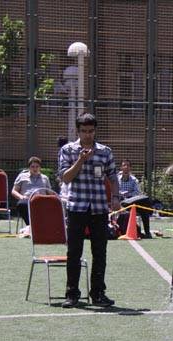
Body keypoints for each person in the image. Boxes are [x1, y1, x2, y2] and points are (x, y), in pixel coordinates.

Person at [58, 113, 120, 308]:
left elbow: (113, 177)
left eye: (91, 131)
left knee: (100, 252)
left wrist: (116, 198)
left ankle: (98, 293)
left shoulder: (105, 151)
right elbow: (65, 178)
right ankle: (72, 294)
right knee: (74, 252)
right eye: (84, 131)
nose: (87, 135)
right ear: (77, 131)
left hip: (99, 208)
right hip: (76, 207)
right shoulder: (68, 150)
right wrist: (80, 161)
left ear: (95, 131)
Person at [117, 159, 153, 239]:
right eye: (124, 165)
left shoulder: (134, 180)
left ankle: (147, 233)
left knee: (144, 210)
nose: (126, 167)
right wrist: (121, 193)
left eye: (128, 165)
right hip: (121, 202)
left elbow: (137, 192)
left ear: (130, 168)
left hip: (132, 202)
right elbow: (114, 191)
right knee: (145, 201)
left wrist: (128, 194)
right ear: (121, 167)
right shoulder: (116, 179)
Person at [11, 156, 52, 226]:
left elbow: (50, 192)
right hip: (27, 200)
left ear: (40, 167)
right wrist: (21, 197)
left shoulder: (45, 178)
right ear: (29, 167)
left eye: (37, 166)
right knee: (21, 204)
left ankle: (38, 226)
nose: (35, 169)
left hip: (42, 200)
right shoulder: (22, 176)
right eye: (32, 167)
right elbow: (14, 191)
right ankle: (31, 226)